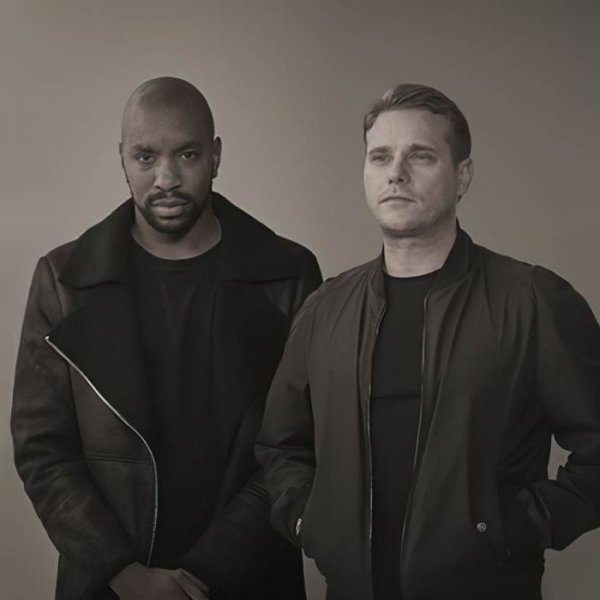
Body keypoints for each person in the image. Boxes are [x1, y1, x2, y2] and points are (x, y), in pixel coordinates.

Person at [256, 83, 600, 600]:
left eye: (421, 155)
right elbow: (279, 445)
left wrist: (516, 530)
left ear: (462, 176)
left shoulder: (533, 301)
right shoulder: (325, 309)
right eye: (380, 157)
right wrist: (309, 520)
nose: (396, 173)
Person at [12, 76, 321, 600]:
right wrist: (123, 573)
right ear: (122, 159)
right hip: (112, 587)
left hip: (250, 580)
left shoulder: (289, 275)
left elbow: (298, 446)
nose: (167, 178)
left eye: (188, 154)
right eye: (146, 157)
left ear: (216, 156)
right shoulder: (63, 281)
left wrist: (203, 576)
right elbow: (42, 450)